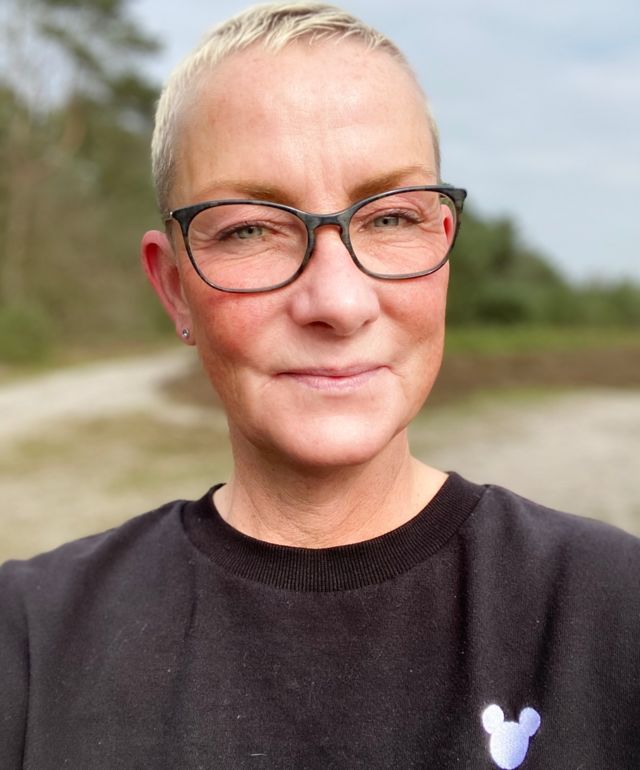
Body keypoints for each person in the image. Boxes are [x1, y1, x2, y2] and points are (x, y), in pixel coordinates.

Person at [1, 3, 638, 767]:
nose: (337, 301)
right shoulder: (28, 641)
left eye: (390, 218)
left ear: (442, 246)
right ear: (174, 289)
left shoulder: (616, 607)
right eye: (249, 229)